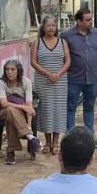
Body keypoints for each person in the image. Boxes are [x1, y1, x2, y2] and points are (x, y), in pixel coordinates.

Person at [61, 8, 97, 134]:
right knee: (70, 107)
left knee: (89, 107)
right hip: (73, 78)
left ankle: (89, 136)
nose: (91, 22)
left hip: (92, 77)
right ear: (79, 21)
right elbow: (62, 55)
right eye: (87, 20)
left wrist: (89, 60)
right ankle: (69, 135)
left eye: (91, 19)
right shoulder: (67, 35)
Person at [31, 15, 70, 154]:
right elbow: (33, 62)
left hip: (60, 81)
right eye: (48, 25)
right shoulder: (37, 42)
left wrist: (58, 74)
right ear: (43, 27)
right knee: (46, 109)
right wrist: (49, 74)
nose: (51, 28)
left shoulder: (62, 42)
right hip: (43, 81)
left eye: (53, 25)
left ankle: (56, 142)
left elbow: (68, 61)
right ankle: (47, 142)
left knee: (58, 110)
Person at [0, 59, 39, 165]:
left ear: (18, 70)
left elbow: (29, 106)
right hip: (2, 111)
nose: (9, 72)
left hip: (19, 115)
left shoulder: (26, 82)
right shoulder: (1, 82)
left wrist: (28, 125)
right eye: (7, 69)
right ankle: (30, 137)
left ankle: (10, 153)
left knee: (11, 118)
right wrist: (22, 107)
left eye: (12, 69)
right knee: (10, 110)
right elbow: (4, 103)